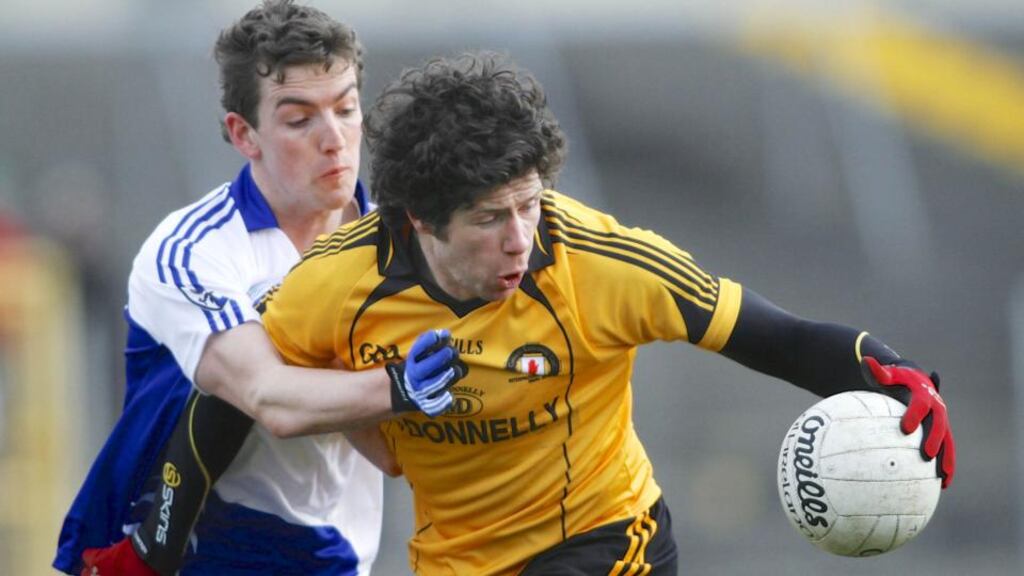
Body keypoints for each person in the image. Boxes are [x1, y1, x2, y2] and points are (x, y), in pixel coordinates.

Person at [257, 51, 957, 575]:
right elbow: (256, 385)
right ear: (420, 221)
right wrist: (370, 417)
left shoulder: (600, 263)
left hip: (608, 542)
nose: (519, 237)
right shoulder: (331, 286)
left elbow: (775, 336)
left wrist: (890, 373)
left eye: (529, 205)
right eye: (489, 218)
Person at [54, 2, 464, 575]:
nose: (334, 139)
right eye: (300, 120)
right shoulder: (193, 252)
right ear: (243, 134)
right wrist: (400, 385)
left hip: (335, 555)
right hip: (200, 549)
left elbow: (391, 455)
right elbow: (270, 397)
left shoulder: (407, 243)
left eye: (346, 110)